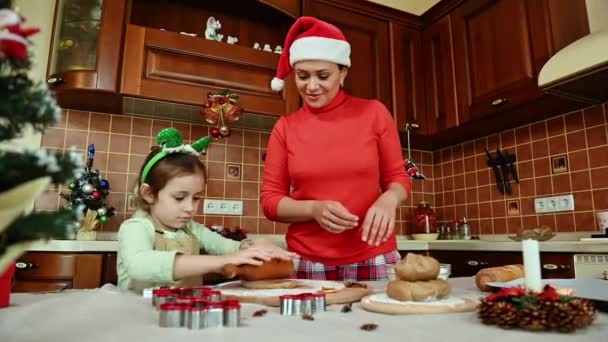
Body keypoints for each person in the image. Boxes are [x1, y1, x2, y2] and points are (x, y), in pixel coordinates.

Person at [261, 17, 411, 281]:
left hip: (374, 254)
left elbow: (398, 179)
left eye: (323, 75)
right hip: (308, 260)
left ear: (343, 73)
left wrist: (389, 199)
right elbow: (271, 201)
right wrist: (313, 210)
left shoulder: (374, 113)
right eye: (302, 76)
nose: (312, 86)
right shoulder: (285, 128)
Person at [118, 128, 294, 293]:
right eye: (179, 197)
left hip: (183, 315)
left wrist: (251, 247)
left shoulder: (192, 230)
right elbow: (139, 264)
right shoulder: (136, 227)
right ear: (148, 193)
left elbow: (227, 247)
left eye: (195, 198)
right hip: (139, 315)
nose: (190, 208)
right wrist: (219, 262)